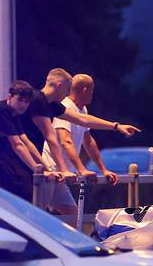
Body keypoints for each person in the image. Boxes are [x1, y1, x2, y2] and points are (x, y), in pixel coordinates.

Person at [42, 73, 119, 212]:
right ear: (85, 90)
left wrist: (103, 169)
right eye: (92, 90)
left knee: (72, 215)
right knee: (37, 213)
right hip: (52, 171)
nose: (92, 94)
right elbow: (66, 141)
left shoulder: (82, 109)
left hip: (62, 174)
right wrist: (82, 170)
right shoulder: (65, 107)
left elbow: (88, 141)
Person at [0, 81, 56, 199]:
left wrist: (46, 169)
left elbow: (26, 142)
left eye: (27, 102)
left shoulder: (14, 115)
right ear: (10, 97)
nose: (23, 105)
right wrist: (37, 170)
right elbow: (17, 145)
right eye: (20, 100)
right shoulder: (1, 111)